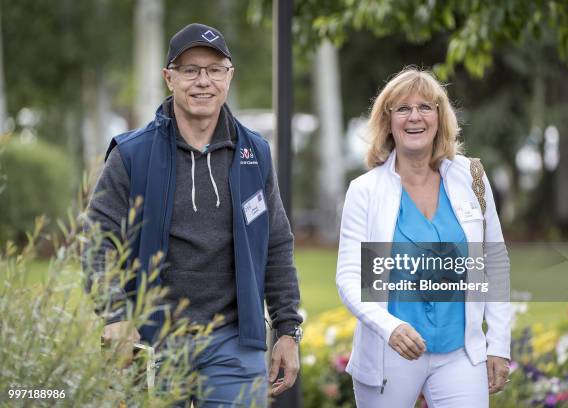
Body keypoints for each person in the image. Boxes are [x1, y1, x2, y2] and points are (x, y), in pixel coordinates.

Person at [83, 23, 302, 406]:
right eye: (190, 70)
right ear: (169, 78)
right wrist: (115, 313)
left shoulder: (255, 154)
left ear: (229, 77)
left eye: (215, 69)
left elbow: (276, 244)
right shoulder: (131, 154)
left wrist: (287, 329)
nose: (204, 81)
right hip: (152, 341)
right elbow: (97, 240)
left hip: (234, 342)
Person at [336, 67, 511, 407]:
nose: (414, 117)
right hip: (391, 353)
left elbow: (495, 261)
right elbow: (350, 278)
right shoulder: (365, 191)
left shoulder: (471, 176)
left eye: (425, 107)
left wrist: (499, 344)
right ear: (388, 121)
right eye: (403, 109)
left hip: (460, 353)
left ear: (439, 117)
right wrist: (389, 327)